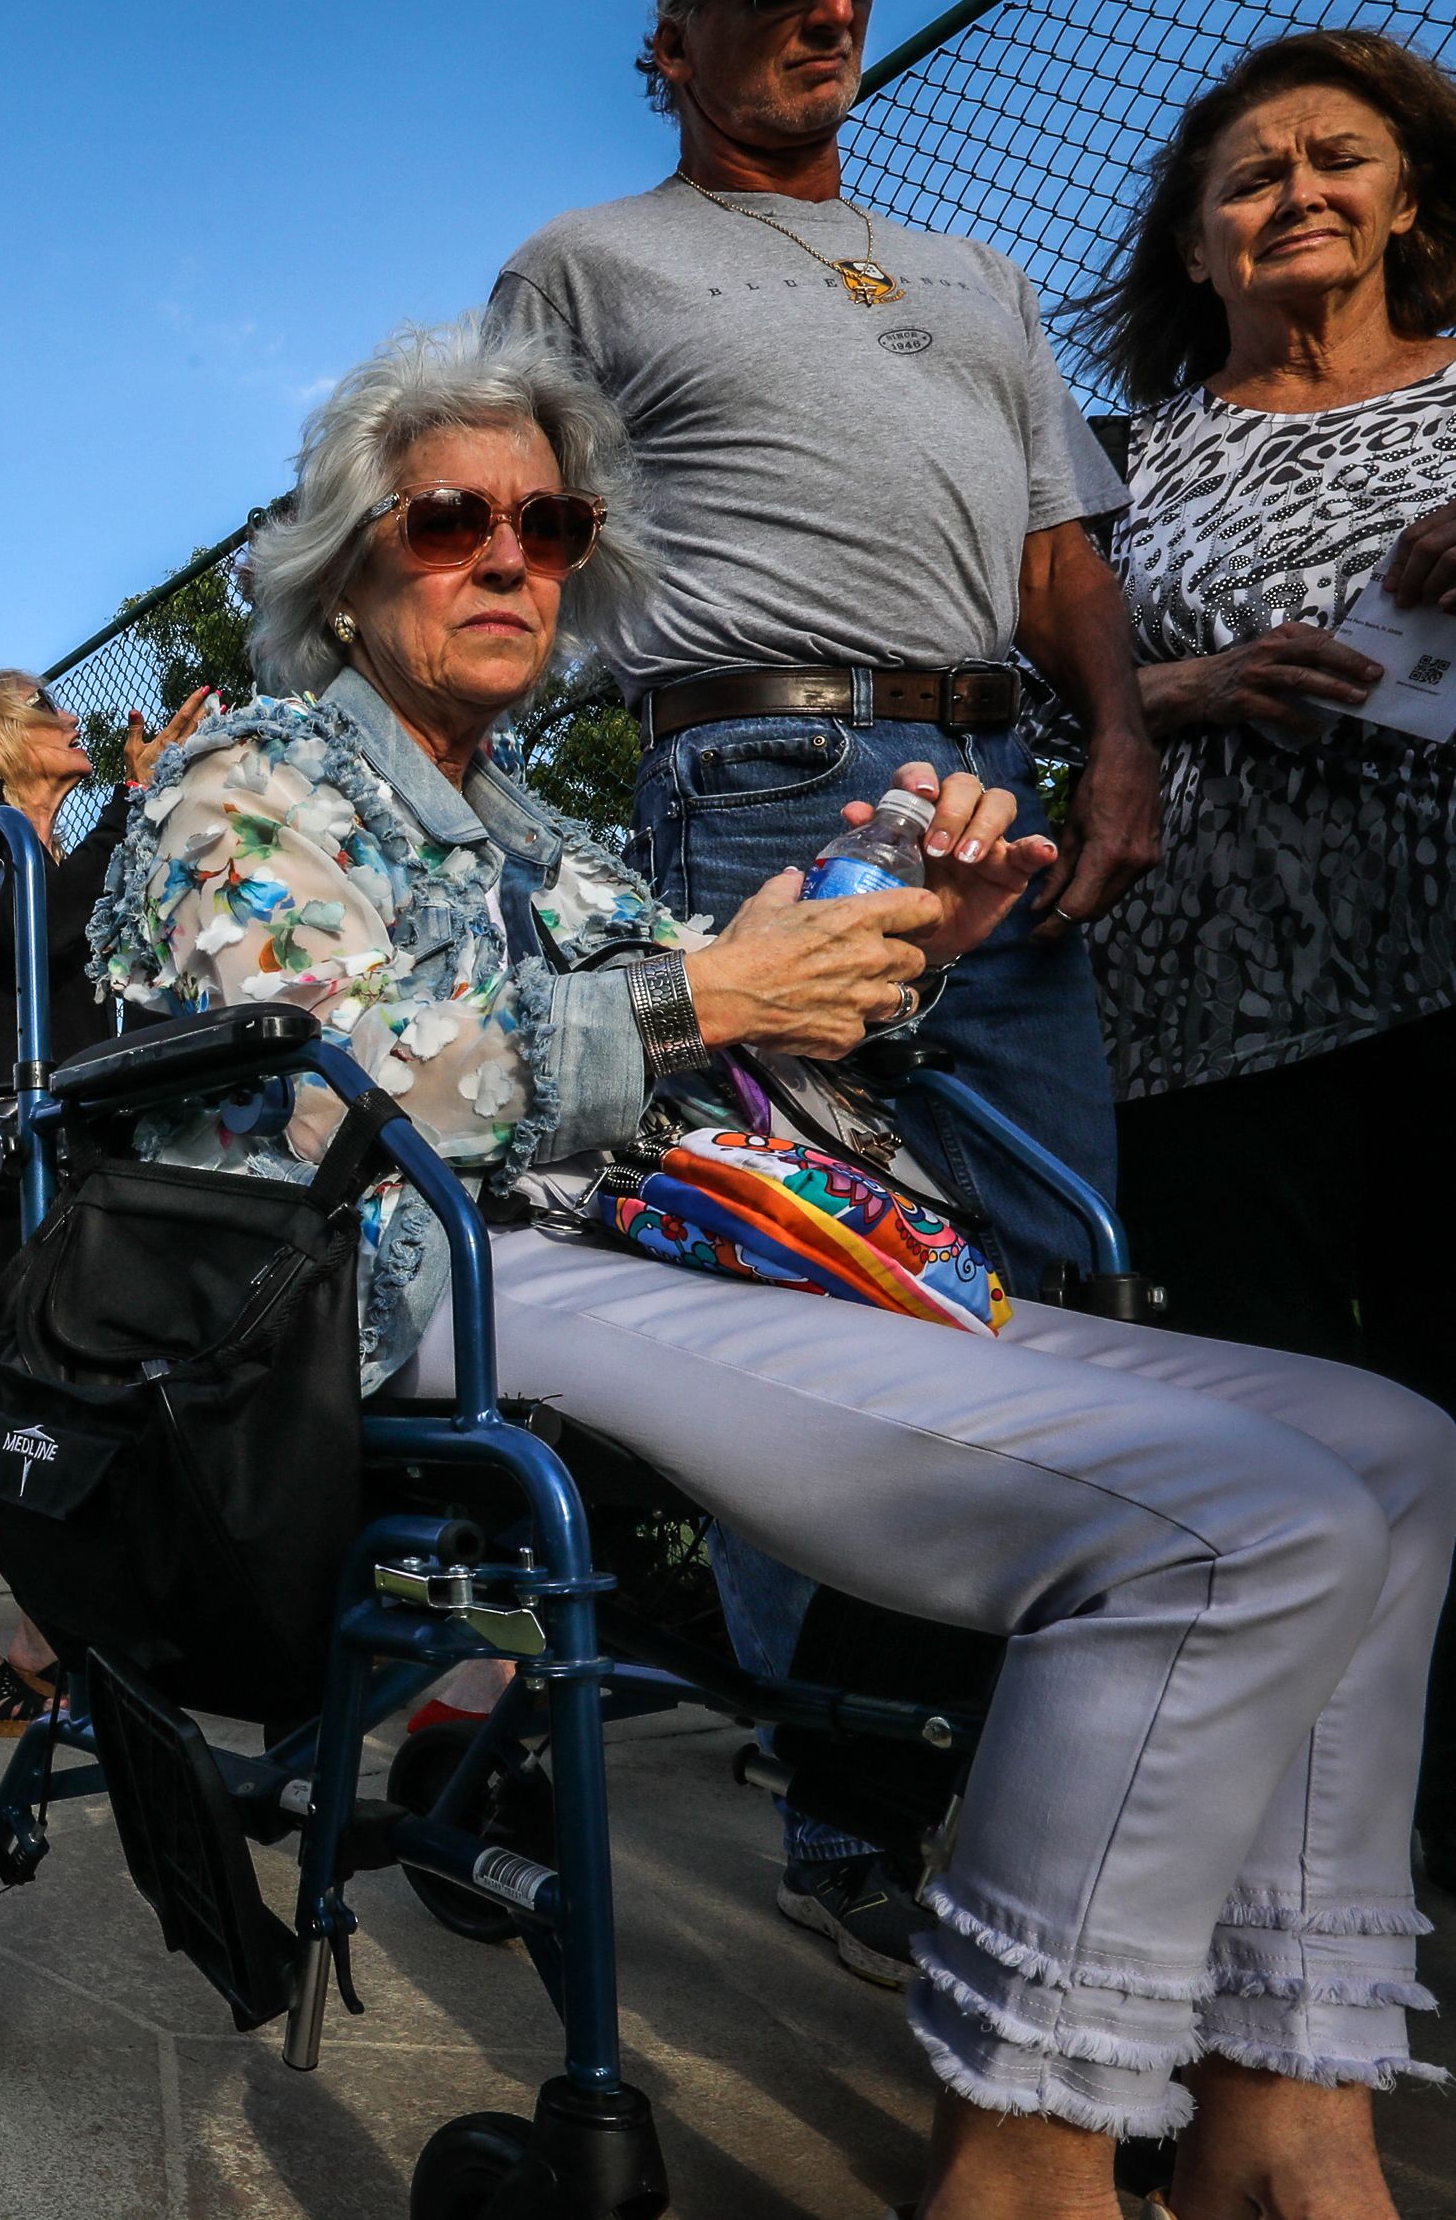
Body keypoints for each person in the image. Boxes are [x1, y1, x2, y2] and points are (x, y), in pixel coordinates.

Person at [106, 318, 1446, 2220]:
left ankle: (1284, 2097)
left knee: (1388, 1445)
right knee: (1239, 1519)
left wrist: (921, 926)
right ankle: (1026, 2146)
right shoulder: (245, 785)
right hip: (424, 1278)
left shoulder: (544, 834)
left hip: (680, 1244)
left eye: (550, 521)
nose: (509, 555)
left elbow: (735, 1052)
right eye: (450, 521)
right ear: (345, 562)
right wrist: (692, 994)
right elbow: (328, 1101)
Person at [485, 0, 1163, 1968]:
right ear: (668, 46)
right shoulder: (586, 260)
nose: (828, 8)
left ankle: (999, 1728)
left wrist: (1116, 741)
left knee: (1051, 1255)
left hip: (991, 789)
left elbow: (1058, 545)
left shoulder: (978, 275)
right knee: (811, 1267)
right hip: (753, 778)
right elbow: (502, 521)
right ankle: (842, 1784)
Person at [1075, 26, 1456, 1883]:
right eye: (1251, 177)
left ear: (1407, 199)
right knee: (1280, 1451)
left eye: (1337, 158)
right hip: (1204, 1026)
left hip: (1445, 978)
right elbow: (1035, 705)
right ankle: (1267, 1872)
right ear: (1197, 243)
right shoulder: (1126, 464)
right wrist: (1191, 681)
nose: (1298, 192)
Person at [0, 669, 209, 1730]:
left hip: (40, 1138)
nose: (69, 716)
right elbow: (45, 937)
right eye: (42, 708)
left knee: (59, 1379)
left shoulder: (25, 843)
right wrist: (131, 800)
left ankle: (38, 1632)